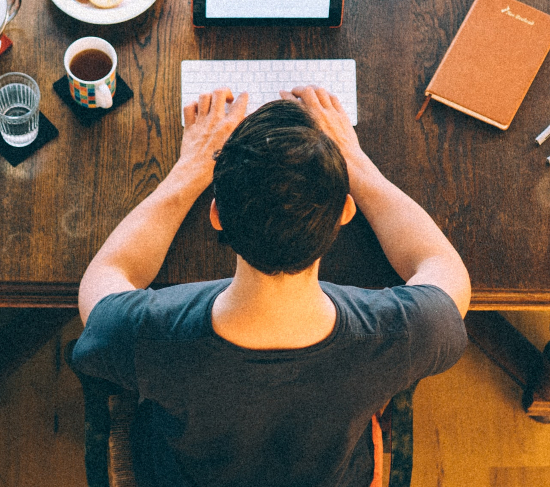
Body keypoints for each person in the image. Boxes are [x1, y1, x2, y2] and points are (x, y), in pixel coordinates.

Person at [73, 86, 471, 487]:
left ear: (216, 216)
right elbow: (442, 268)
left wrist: (188, 171)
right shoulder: (400, 335)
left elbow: (105, 275)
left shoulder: (146, 335)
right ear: (346, 212)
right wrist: (358, 165)